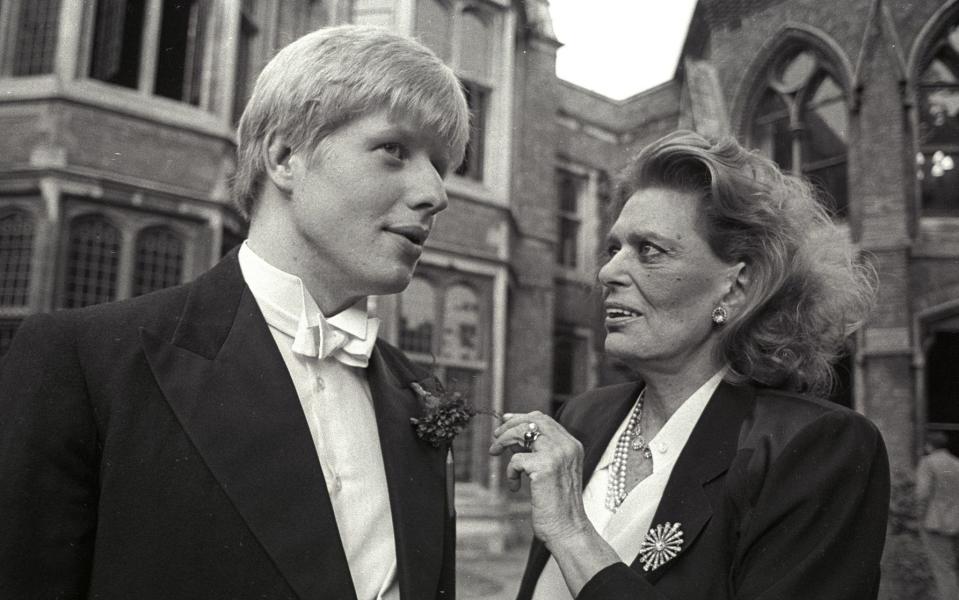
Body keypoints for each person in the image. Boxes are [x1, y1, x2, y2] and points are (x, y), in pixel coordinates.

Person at [0, 25, 468, 600]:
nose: (435, 193)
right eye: (394, 150)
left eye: (440, 166)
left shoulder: (422, 396)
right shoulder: (85, 364)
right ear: (285, 156)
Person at [491, 130, 890, 599]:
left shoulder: (815, 448)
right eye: (613, 249)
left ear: (737, 288)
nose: (608, 272)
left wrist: (572, 534)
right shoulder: (585, 418)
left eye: (649, 251)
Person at [916, 430, 959, 600]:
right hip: (957, 521)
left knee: (943, 569)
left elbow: (922, 494)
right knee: (954, 566)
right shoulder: (956, 462)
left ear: (929, 446)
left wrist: (919, 518)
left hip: (935, 522)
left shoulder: (928, 463)